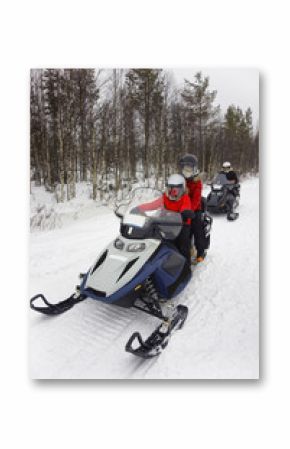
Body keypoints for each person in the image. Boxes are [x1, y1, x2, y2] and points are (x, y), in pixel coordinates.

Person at [138, 174, 194, 265]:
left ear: (182, 189)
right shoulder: (165, 197)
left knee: (183, 244)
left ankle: (186, 265)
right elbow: (152, 205)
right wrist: (139, 208)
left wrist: (185, 213)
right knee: (155, 238)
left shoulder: (185, 198)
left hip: (182, 224)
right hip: (166, 222)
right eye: (170, 188)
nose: (173, 191)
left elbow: (185, 207)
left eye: (177, 189)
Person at [179, 154, 206, 263]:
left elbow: (196, 200)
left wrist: (188, 211)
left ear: (194, 168)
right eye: (185, 168)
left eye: (189, 168)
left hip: (194, 209)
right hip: (180, 208)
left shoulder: (197, 181)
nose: (187, 170)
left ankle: (200, 251)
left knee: (196, 229)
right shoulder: (180, 179)